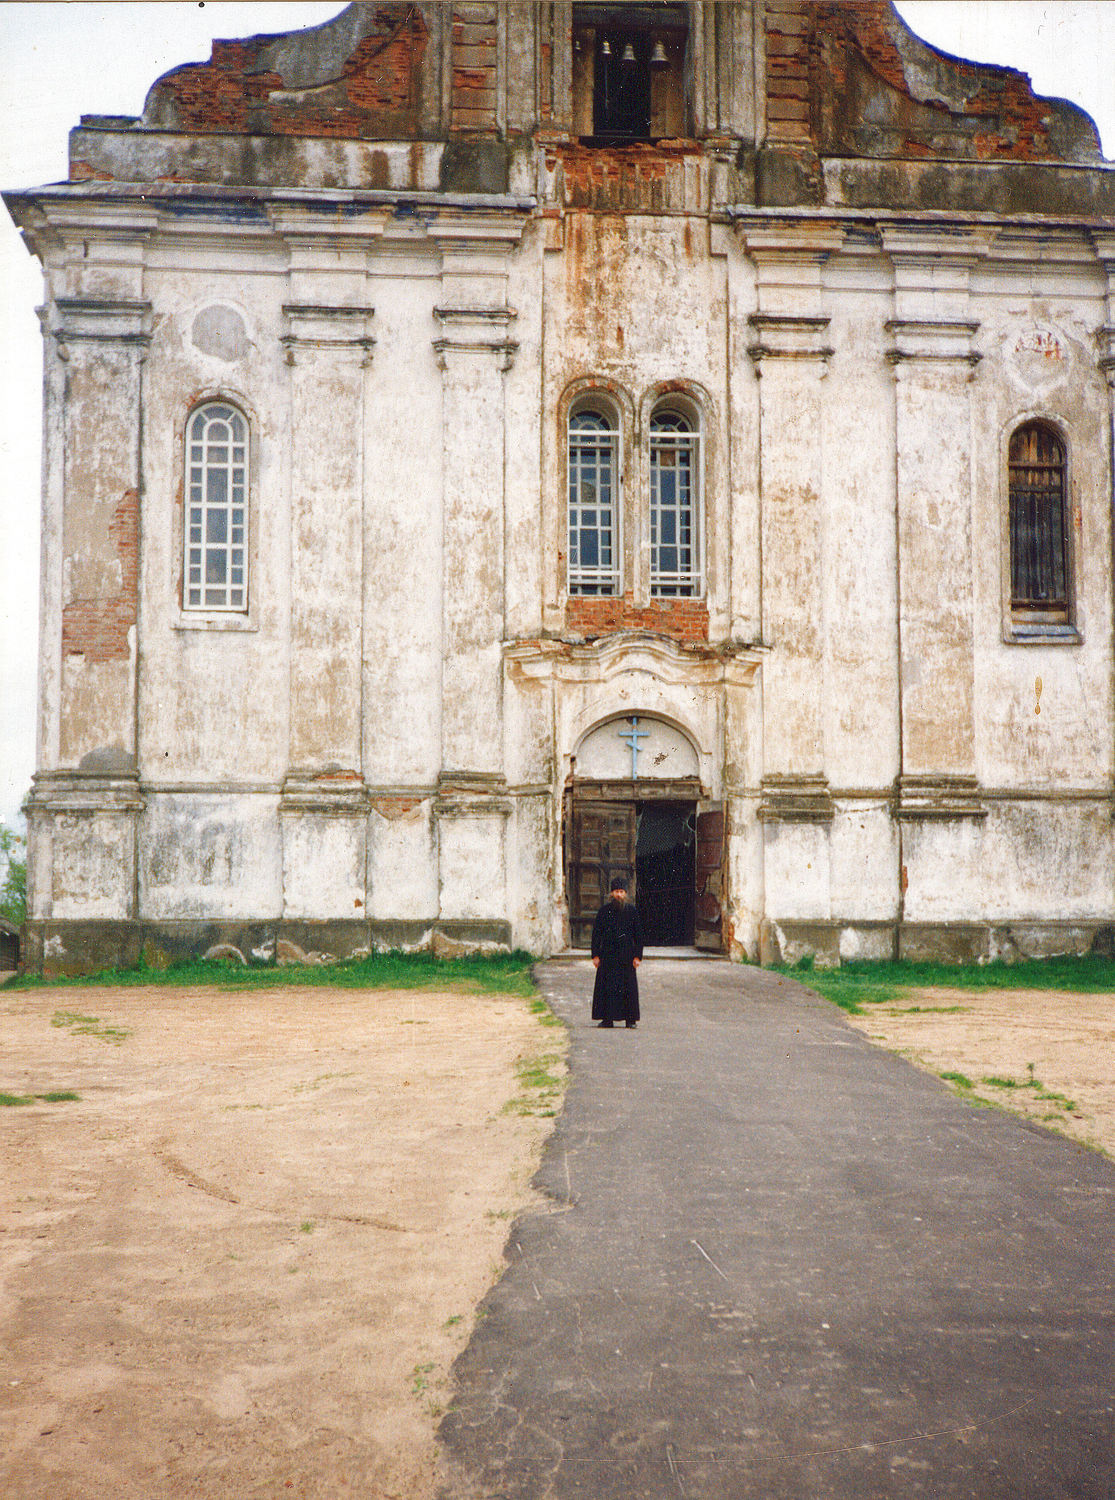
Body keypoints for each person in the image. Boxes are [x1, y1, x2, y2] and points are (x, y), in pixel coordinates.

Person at [591, 876, 643, 1029]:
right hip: (608, 956)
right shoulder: (603, 911)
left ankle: (630, 1020)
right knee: (607, 988)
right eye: (616, 891)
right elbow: (596, 934)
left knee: (628, 989)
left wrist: (638, 956)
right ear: (611, 893)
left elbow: (638, 935)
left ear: (625, 894)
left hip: (627, 957)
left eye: (621, 891)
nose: (619, 895)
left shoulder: (632, 911)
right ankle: (607, 1019)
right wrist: (595, 955)